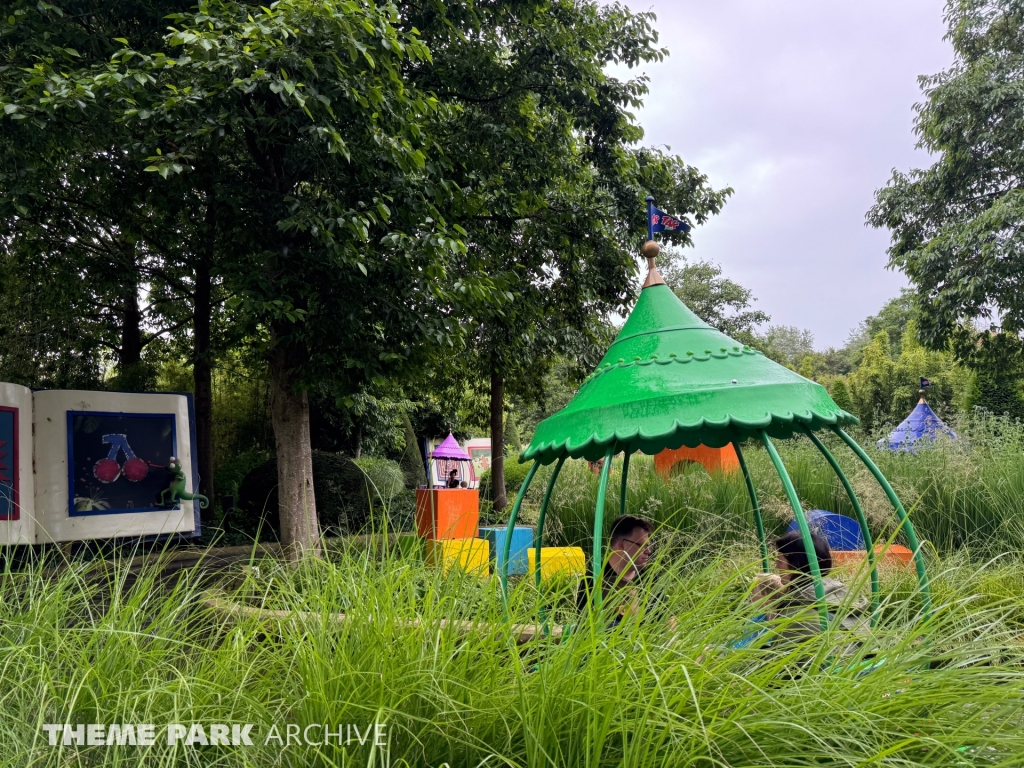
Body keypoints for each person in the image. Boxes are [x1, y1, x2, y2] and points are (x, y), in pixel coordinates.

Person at [751, 529, 869, 641]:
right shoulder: (842, 595)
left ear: (797, 565)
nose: (777, 567)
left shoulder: (795, 613)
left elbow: (778, 658)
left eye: (780, 561)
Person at [576, 515, 662, 627]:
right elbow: (586, 626)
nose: (648, 551)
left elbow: (668, 618)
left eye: (648, 546)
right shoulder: (593, 580)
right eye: (641, 546)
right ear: (621, 545)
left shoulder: (650, 576)